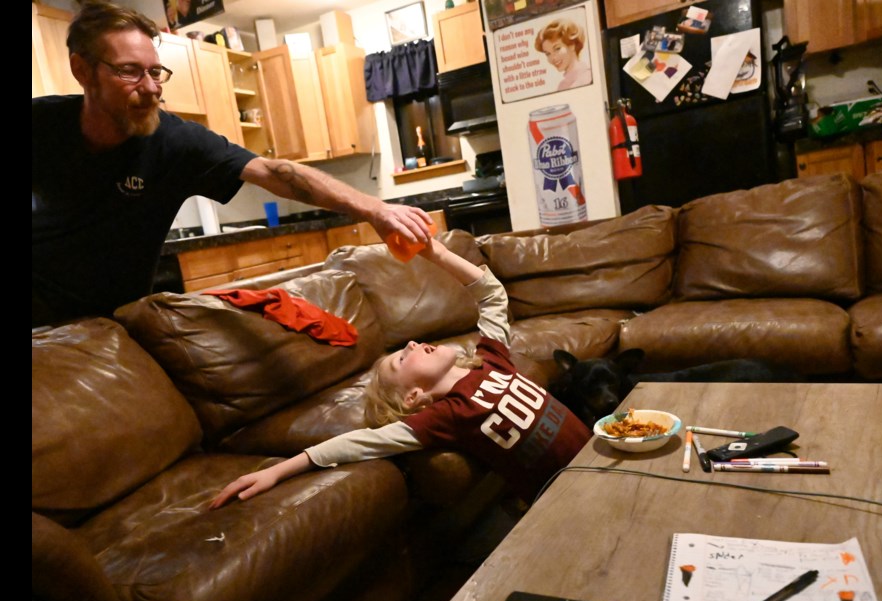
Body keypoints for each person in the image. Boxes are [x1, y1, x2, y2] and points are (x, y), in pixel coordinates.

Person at [32, 1, 433, 328]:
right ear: (82, 70)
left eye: (155, 72)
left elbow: (274, 173)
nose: (151, 87)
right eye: (129, 72)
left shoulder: (176, 142)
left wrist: (374, 208)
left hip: (116, 320)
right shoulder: (41, 126)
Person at [209, 238, 593, 511]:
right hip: (564, 500)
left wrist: (437, 253)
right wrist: (280, 470)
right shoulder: (445, 417)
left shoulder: (492, 359)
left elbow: (492, 295)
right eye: (400, 360)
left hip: (595, 453)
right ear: (413, 398)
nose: (411, 344)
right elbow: (357, 443)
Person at [534, 18, 592, 92]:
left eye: (557, 49)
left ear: (572, 45)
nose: (553, 58)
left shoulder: (588, 76)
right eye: (548, 54)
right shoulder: (562, 86)